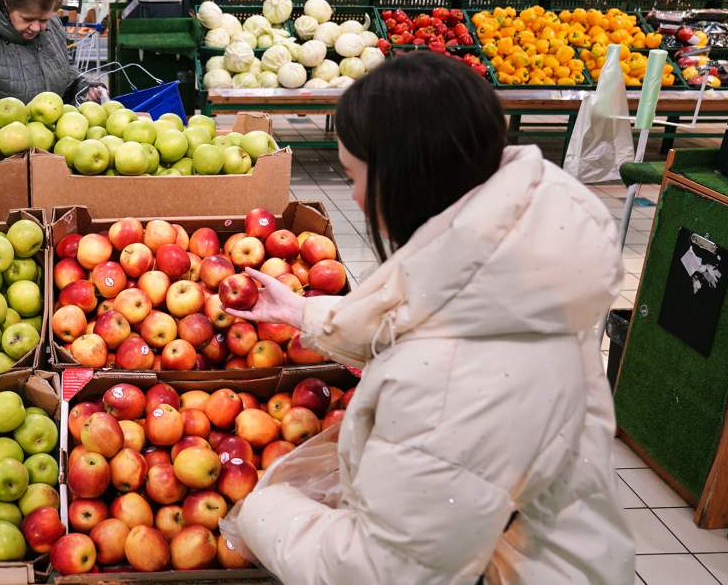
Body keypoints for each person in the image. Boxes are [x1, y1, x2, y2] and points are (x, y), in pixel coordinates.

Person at [225, 52, 636, 584]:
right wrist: (304, 312)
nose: (350, 195)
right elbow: (431, 310)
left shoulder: (447, 383)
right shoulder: (520, 261)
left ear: (402, 178)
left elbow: (382, 574)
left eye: (353, 176)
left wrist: (264, 510)